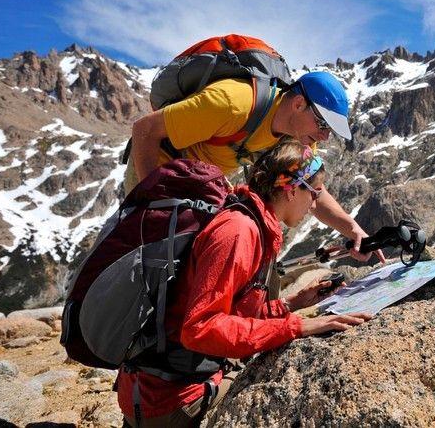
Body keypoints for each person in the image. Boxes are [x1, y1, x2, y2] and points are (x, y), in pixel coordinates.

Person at [117, 139, 372, 427]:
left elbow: (231, 315)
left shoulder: (252, 218)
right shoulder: (239, 231)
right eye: (313, 193)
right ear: (289, 190)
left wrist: (291, 304)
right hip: (169, 400)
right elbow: (200, 328)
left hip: (164, 386)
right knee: (285, 394)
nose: (315, 204)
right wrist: (296, 327)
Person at [129, 68, 383, 263]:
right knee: (156, 260)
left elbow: (311, 191)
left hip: (203, 182)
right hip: (157, 166)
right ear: (298, 104)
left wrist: (353, 229)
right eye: (324, 125)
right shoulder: (232, 103)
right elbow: (145, 130)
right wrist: (153, 200)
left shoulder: (298, 138)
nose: (326, 136)